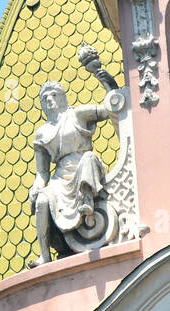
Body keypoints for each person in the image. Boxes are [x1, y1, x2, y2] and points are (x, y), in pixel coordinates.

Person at [29, 82, 113, 265]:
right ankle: (44, 255)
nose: (49, 100)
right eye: (44, 98)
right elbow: (42, 173)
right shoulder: (42, 133)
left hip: (84, 164)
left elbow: (112, 107)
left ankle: (87, 202)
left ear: (61, 97)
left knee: (88, 158)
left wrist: (104, 79)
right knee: (42, 200)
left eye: (53, 95)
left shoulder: (77, 115)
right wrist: (36, 187)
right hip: (60, 176)